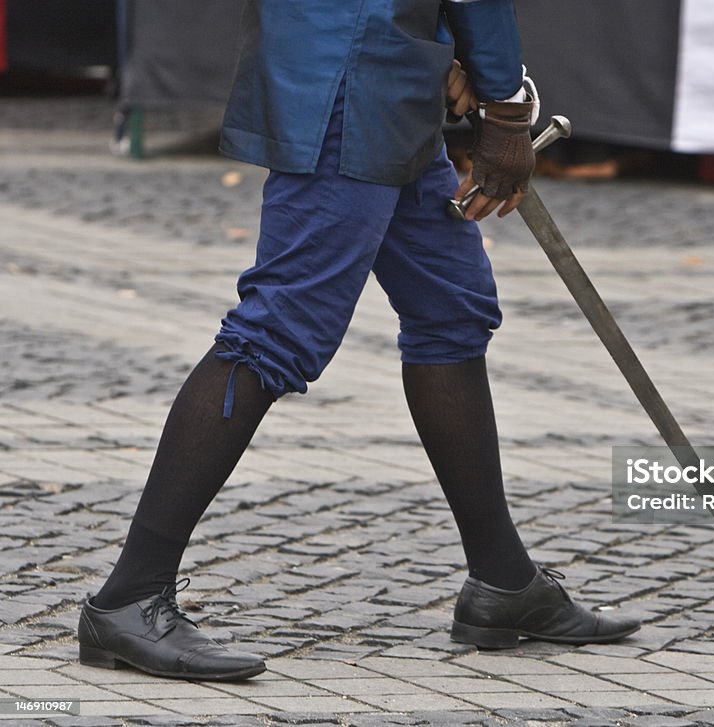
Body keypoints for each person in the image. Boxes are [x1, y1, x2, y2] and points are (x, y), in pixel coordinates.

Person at [77, 0, 640, 681]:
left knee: (450, 310)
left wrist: (437, 50)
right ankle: (130, 595)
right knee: (274, 334)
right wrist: (504, 103)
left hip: (372, 68)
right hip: (355, 77)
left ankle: (504, 582)